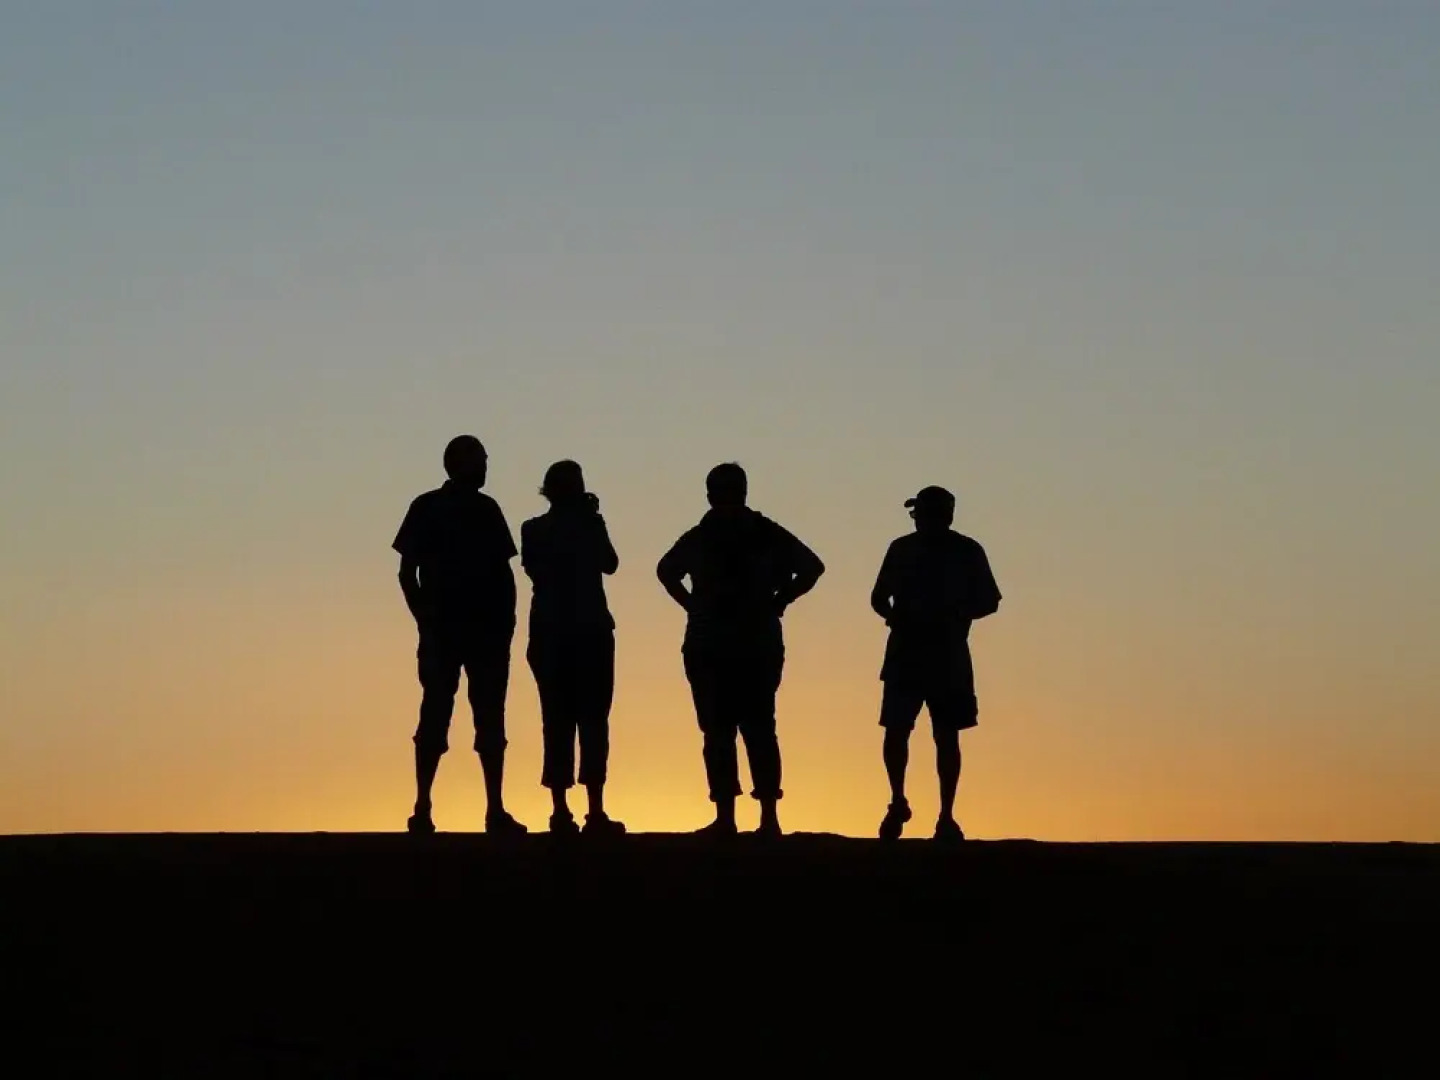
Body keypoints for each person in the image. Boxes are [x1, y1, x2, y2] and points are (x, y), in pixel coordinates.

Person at [656, 463, 825, 838]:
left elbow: (666, 570)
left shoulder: (710, 535)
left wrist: (693, 605)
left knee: (725, 731)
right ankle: (762, 818)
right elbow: (812, 567)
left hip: (726, 643)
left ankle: (735, 818)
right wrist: (781, 599)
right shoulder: (759, 532)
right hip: (745, 641)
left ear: (710, 493)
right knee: (755, 728)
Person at [392, 435, 527, 836]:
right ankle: (423, 806)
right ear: (458, 464)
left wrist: (506, 624)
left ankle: (494, 809)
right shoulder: (428, 506)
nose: (485, 467)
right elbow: (406, 573)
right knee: (438, 713)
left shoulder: (486, 508)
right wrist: (424, 619)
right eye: (480, 460)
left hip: (485, 631)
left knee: (488, 717)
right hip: (447, 629)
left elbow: (505, 575)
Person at [870, 485, 1001, 841]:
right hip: (909, 653)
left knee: (945, 735)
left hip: (945, 655)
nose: (921, 521)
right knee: (898, 731)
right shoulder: (902, 549)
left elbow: (990, 600)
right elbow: (878, 598)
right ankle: (898, 800)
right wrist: (895, 617)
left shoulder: (967, 551)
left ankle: (945, 815)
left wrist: (955, 614)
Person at [520, 460, 625, 837]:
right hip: (588, 631)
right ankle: (594, 811)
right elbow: (610, 563)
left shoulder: (533, 530)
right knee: (593, 721)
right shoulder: (587, 525)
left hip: (550, 633)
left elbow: (538, 571)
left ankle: (561, 811)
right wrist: (589, 522)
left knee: (556, 720)